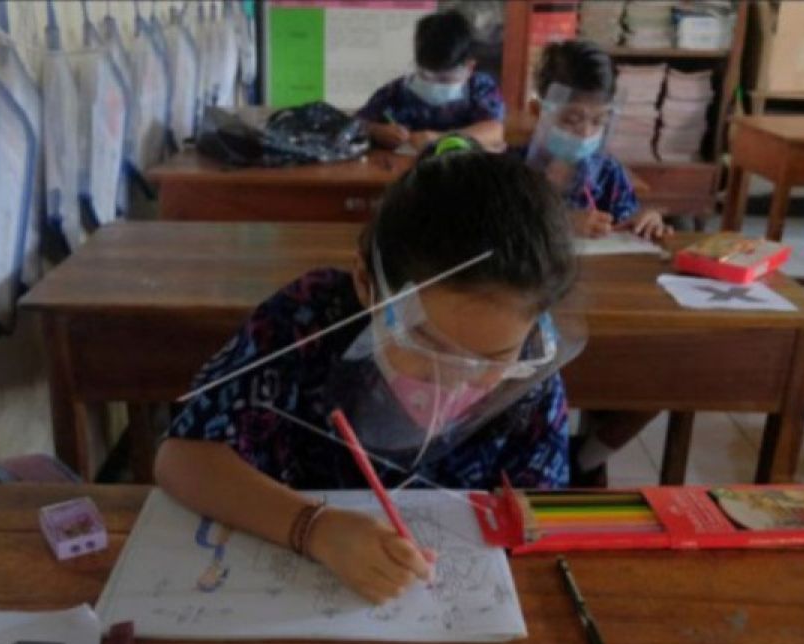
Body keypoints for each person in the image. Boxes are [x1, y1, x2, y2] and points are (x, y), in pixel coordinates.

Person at [155, 139, 577, 605]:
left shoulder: (530, 368)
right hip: (297, 590)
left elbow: (541, 518)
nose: (454, 381)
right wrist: (314, 528)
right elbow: (182, 459)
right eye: (426, 345)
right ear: (365, 283)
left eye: (493, 358)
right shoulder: (308, 320)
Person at [532, 40, 671, 240]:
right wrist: (562, 224)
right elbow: (498, 233)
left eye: (599, 121)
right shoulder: (512, 173)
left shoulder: (608, 173)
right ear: (538, 112)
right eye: (571, 120)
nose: (586, 132)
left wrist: (643, 221)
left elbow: (626, 220)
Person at [356, 9, 505, 152]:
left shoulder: (479, 87)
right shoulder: (396, 91)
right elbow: (354, 125)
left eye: (445, 79)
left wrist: (441, 139)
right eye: (426, 76)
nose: (435, 84)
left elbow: (495, 130)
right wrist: (376, 131)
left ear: (469, 67)